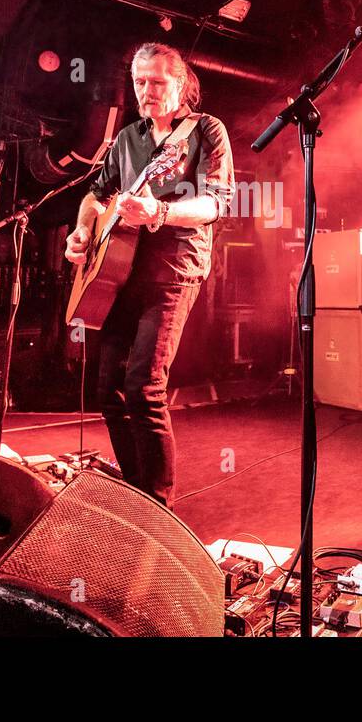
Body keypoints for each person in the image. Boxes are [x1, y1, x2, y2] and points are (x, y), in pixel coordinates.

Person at [64, 44, 234, 505]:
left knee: (145, 385)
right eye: (140, 81)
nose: (147, 90)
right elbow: (96, 197)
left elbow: (217, 204)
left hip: (174, 268)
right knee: (109, 390)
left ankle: (159, 503)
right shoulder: (127, 138)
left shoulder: (206, 131)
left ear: (182, 85)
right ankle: (137, 492)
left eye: (157, 81)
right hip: (119, 273)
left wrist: (160, 210)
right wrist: (81, 232)